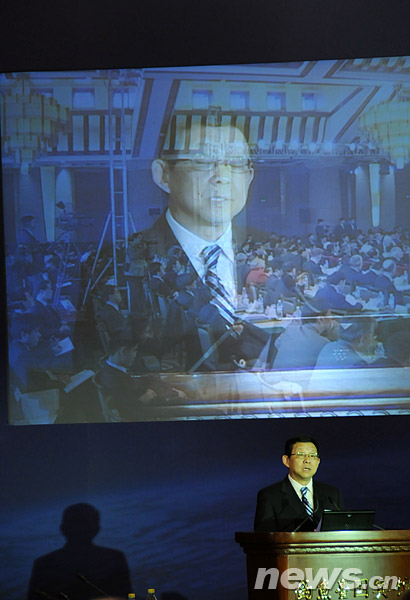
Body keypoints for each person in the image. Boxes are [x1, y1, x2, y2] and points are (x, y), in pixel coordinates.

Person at [146, 111, 269, 368]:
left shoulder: (270, 250)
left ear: (249, 176)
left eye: (236, 162)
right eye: (202, 160)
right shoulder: (129, 263)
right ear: (164, 175)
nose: (222, 176)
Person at [254, 435, 344, 532]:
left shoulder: (332, 495)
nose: (307, 460)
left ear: (318, 462)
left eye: (312, 455)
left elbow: (343, 529)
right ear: (286, 460)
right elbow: (263, 536)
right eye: (301, 454)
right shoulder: (270, 496)